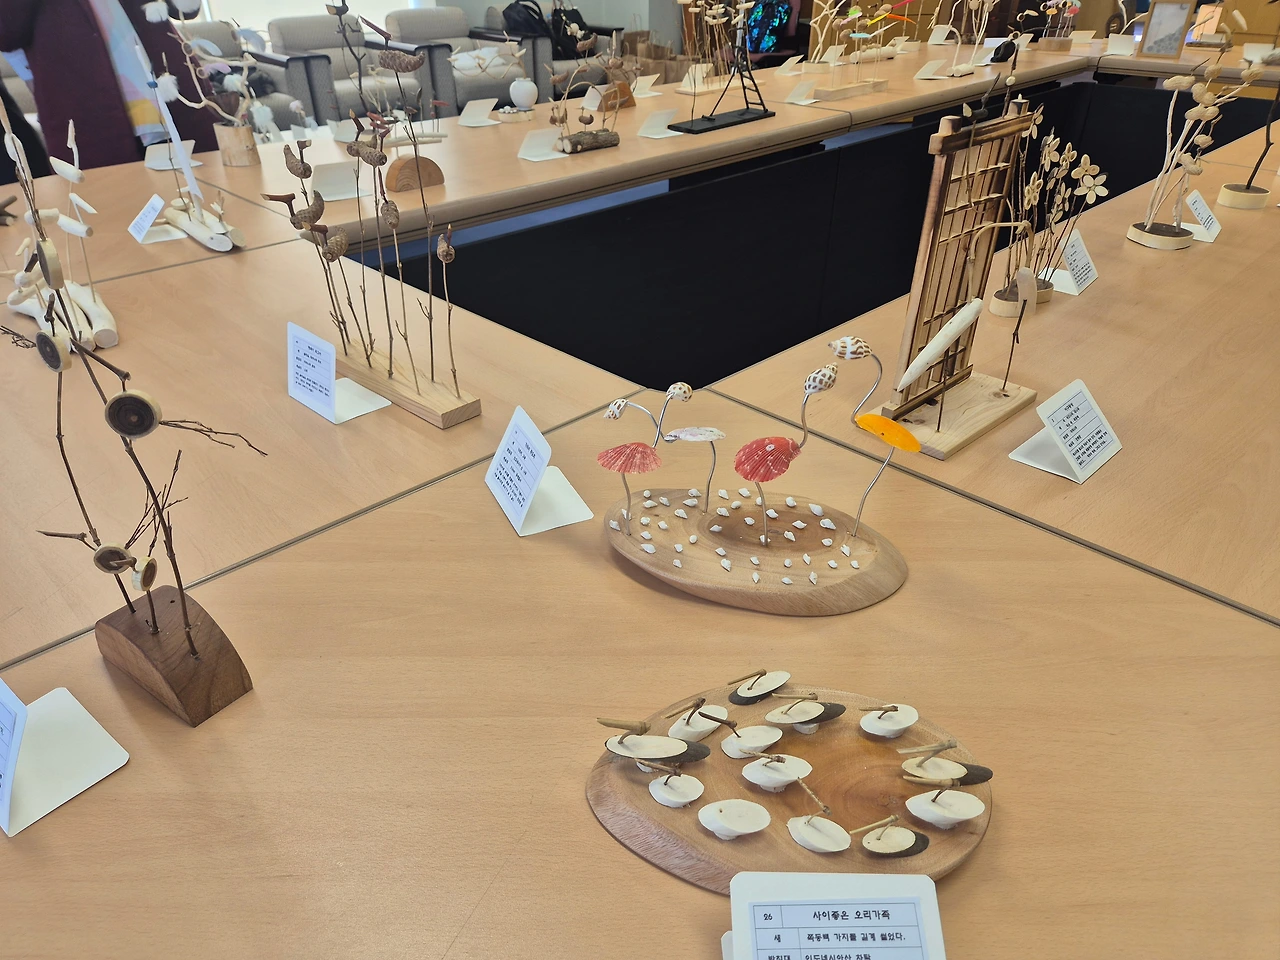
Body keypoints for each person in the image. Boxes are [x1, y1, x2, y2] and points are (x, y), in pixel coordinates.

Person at [0, 0, 216, 169]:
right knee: (112, 203)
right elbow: (6, 32)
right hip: (87, 111)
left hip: (172, 91)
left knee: (209, 192)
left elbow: (186, 8)